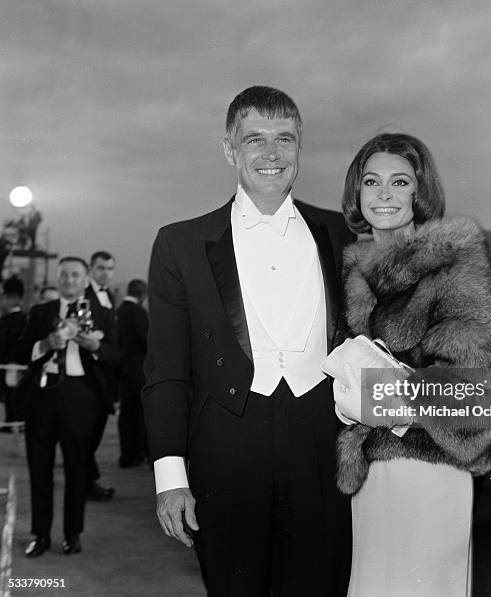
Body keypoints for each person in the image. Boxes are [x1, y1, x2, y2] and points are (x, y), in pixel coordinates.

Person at [143, 86, 353, 596]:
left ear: (300, 147)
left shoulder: (341, 233)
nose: (272, 153)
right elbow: (166, 370)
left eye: (285, 138)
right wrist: (171, 478)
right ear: (229, 149)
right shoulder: (180, 243)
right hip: (226, 447)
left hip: (321, 448)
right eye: (254, 139)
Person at [330, 133, 491, 597]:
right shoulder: (355, 270)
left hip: (432, 467)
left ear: (421, 192)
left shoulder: (452, 262)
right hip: (374, 473)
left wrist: (383, 397)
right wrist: (352, 399)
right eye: (372, 181)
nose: (385, 194)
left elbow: (482, 383)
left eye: (400, 181)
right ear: (357, 192)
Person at [16, 257, 118, 557]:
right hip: (42, 397)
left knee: (77, 469)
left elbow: (116, 354)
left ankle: (72, 534)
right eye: (64, 275)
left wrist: (95, 346)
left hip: (80, 397)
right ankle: (40, 535)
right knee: (39, 468)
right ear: (58, 279)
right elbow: (19, 350)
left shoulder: (101, 314)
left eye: (75, 275)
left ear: (85, 280)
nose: (69, 280)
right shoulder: (41, 311)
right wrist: (45, 345)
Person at [84, 250, 118, 501]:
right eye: (101, 268)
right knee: (87, 434)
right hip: (89, 376)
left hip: (105, 376)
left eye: (109, 268)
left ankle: (87, 481)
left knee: (94, 432)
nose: (105, 273)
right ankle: (87, 483)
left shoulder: (110, 298)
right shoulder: (85, 298)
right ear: (91, 269)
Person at [117, 279, 149, 468]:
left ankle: (126, 455)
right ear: (143, 294)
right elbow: (146, 339)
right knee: (139, 414)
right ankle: (137, 453)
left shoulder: (120, 310)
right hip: (139, 369)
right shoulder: (138, 312)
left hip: (124, 368)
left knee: (126, 414)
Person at [0, 276, 28, 430]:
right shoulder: (24, 318)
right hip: (17, 361)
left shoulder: (7, 320)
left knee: (11, 392)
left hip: (11, 362)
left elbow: (5, 341)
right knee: (14, 392)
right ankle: (15, 420)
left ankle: (12, 421)